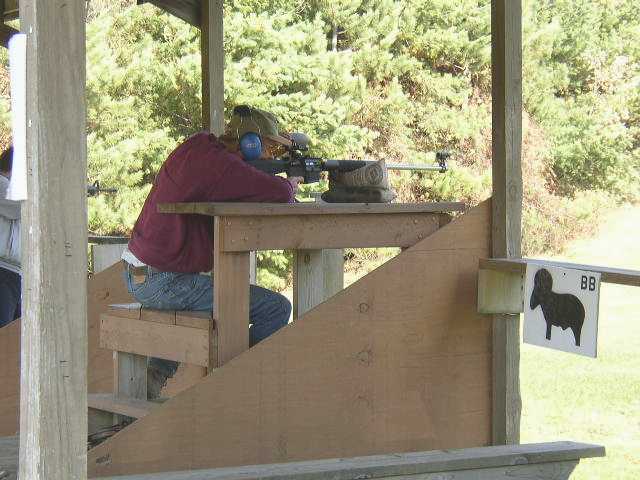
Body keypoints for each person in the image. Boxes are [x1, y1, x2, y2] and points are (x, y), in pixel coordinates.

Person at [122, 106, 303, 397]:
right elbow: (279, 192)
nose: (270, 156)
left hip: (143, 273)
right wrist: (290, 185)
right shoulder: (218, 164)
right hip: (162, 280)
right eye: (268, 147)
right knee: (276, 308)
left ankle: (152, 383)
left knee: (203, 306)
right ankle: (233, 387)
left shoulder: (201, 149)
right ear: (250, 143)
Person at [0, 146, 21, 328]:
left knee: (14, 332)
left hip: (12, 271)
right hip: (4, 269)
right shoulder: (2, 184)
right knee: (5, 331)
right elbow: (20, 208)